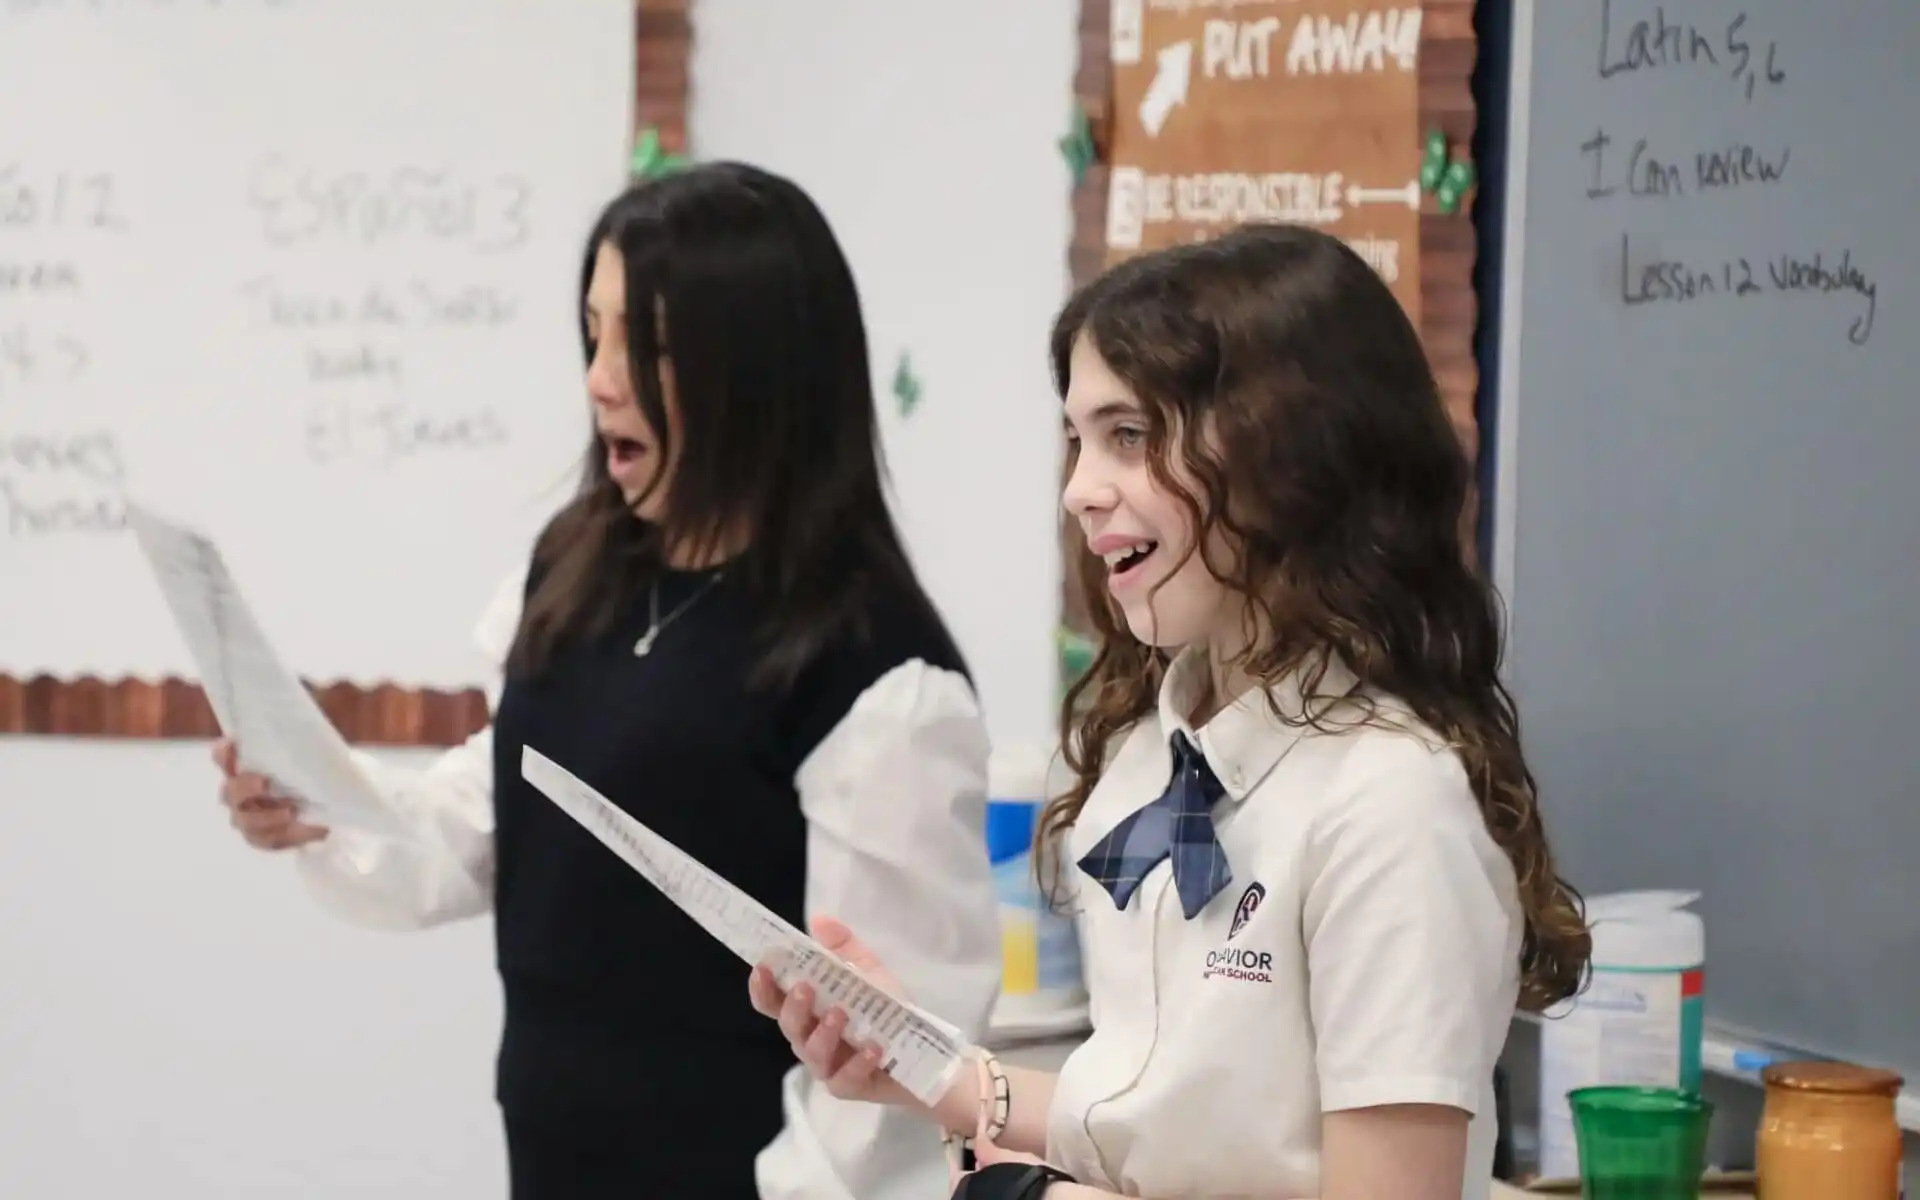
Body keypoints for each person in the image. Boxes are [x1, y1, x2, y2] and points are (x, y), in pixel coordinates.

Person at [748, 223, 1594, 1200]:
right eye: (1078, 440)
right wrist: (919, 1065)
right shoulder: (1147, 758)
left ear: (1288, 453)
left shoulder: (1390, 809)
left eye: (1130, 437)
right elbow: (1152, 1125)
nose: (1079, 492)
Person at [213, 162, 1002, 1200]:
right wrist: (317, 806)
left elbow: (895, 1071)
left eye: (648, 346)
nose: (599, 379)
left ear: (759, 372)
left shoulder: (875, 675)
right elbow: (489, 818)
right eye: (594, 334)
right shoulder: (576, 568)